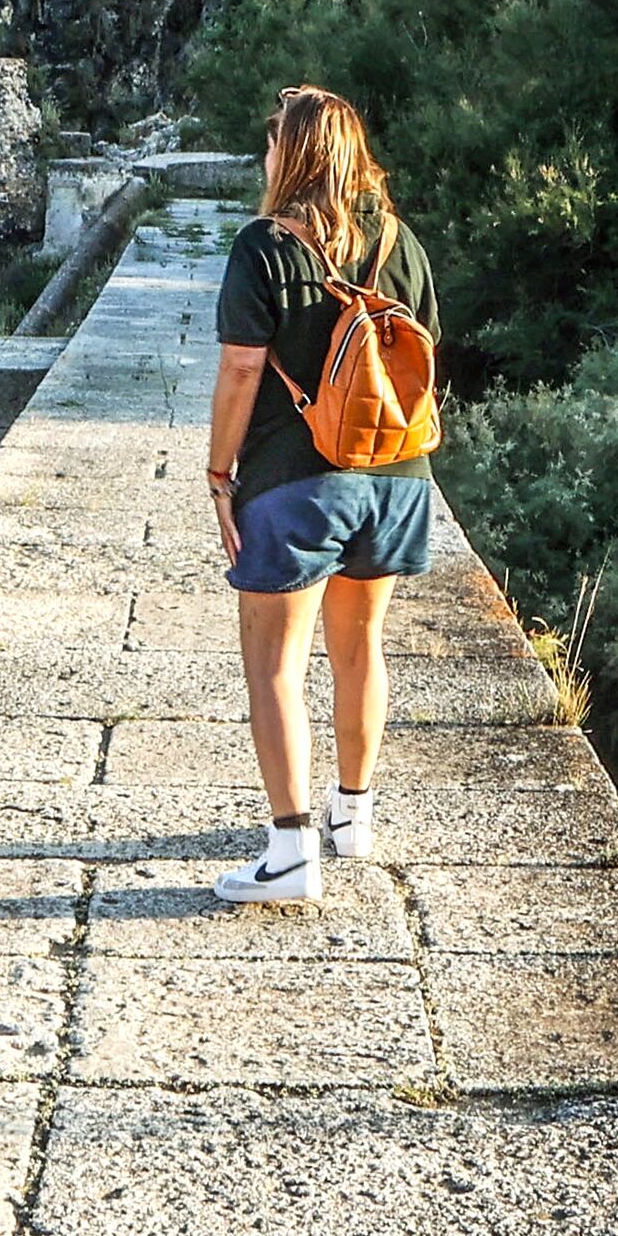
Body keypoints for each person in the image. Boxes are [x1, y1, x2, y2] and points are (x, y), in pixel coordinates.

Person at [202, 85, 441, 906]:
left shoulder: (265, 246)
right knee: (360, 643)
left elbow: (240, 368)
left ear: (295, 154)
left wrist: (218, 471)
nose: (265, 158)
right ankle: (355, 818)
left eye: (273, 145)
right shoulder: (401, 242)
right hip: (396, 478)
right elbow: (428, 351)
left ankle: (289, 850)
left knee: (275, 664)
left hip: (300, 486)